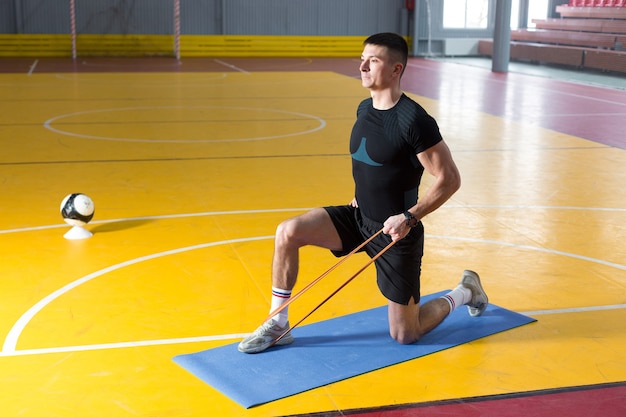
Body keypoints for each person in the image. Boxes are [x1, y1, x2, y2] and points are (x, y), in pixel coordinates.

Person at [238, 32, 488, 354]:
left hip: (397, 233)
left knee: (405, 334)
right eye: (362, 59)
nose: (362, 67)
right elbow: (372, 162)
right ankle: (278, 323)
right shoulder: (364, 109)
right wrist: (360, 194)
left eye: (373, 61)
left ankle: (465, 291)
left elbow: (450, 179)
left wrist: (409, 217)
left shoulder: (414, 120)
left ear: (396, 69)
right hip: (359, 218)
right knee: (288, 232)